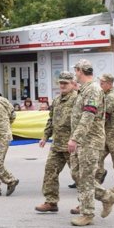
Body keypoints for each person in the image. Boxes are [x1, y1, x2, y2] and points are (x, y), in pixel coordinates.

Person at [67, 60, 114, 227]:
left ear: (80, 71)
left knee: (86, 177)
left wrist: (75, 138)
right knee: (77, 174)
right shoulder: (85, 89)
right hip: (82, 140)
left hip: (89, 141)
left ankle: (87, 214)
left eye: (75, 70)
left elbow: (88, 116)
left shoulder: (93, 90)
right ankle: (107, 197)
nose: (75, 73)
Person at [35, 72, 77, 212]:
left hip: (72, 145)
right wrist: (45, 136)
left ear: (72, 84)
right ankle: (51, 202)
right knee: (50, 172)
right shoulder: (57, 100)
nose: (63, 85)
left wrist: (76, 140)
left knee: (79, 175)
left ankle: (86, 202)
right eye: (61, 83)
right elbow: (51, 120)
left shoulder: (78, 99)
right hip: (57, 144)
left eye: (66, 83)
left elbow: (83, 122)